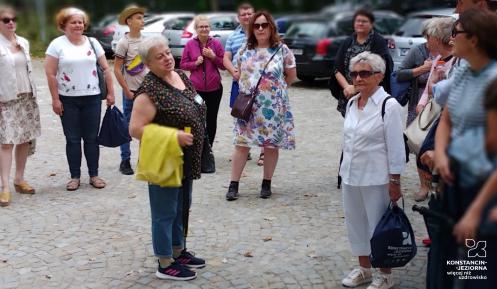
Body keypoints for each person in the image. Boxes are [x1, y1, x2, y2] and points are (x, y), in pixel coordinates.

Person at [129, 36, 206, 281]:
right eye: (159, 56)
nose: (167, 58)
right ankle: (164, 262)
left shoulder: (181, 76)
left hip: (186, 157)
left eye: (167, 52)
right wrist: (172, 136)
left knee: (182, 205)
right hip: (164, 158)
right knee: (164, 211)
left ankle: (178, 250)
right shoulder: (148, 90)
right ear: (148, 63)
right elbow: (135, 129)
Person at [433, 9, 497, 289]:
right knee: (453, 264)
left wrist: (476, 210)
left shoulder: (493, 80)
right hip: (456, 182)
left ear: (474, 39)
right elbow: (446, 118)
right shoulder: (463, 71)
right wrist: (442, 153)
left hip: (483, 187)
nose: (450, 39)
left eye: (455, 33)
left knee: (477, 272)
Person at [340, 51, 405, 289]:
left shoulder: (389, 106)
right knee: (356, 223)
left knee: (379, 226)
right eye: (354, 74)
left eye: (364, 73)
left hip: (376, 177)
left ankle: (385, 274)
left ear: (379, 76)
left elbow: (397, 147)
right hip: (351, 174)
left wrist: (395, 180)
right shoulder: (351, 103)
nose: (358, 78)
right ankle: (364, 269)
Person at [225, 11, 297, 201]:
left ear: (271, 27)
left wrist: (275, 92)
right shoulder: (244, 49)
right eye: (256, 26)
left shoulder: (282, 50)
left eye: (264, 25)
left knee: (271, 145)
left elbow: (291, 75)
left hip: (273, 107)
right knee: (241, 144)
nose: (260, 29)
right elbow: (238, 72)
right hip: (248, 107)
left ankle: (266, 183)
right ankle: (233, 184)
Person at [44, 7, 115, 191]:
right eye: (74, 22)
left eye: (80, 22)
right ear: (64, 25)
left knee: (92, 138)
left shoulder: (92, 42)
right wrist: (55, 99)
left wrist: (110, 93)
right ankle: (74, 176)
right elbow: (51, 74)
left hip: (92, 98)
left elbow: (106, 69)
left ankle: (94, 175)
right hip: (67, 99)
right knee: (73, 139)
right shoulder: (56, 45)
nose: (78, 25)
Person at [0, 5, 41, 207]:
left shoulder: (23, 42)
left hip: (27, 96)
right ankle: (5, 187)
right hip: (6, 99)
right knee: (7, 142)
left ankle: (19, 179)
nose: (10, 22)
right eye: (5, 20)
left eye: (13, 19)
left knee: (24, 139)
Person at [332, 9, 394, 117]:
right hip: (348, 94)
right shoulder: (347, 42)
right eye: (358, 21)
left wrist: (356, 88)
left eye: (364, 21)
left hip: (370, 95)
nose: (360, 23)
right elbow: (337, 68)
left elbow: (380, 71)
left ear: (371, 24)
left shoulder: (378, 42)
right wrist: (347, 87)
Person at [223, 2, 261, 163]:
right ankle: (243, 148)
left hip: (259, 84)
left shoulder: (261, 32)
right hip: (239, 83)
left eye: (249, 13)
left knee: (261, 116)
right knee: (240, 114)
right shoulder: (233, 36)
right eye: (243, 14)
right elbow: (226, 58)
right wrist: (233, 71)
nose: (246, 16)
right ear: (238, 18)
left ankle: (264, 151)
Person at [113, 5, 148, 176]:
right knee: (127, 125)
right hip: (131, 92)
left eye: (143, 17)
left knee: (146, 125)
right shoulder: (123, 43)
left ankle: (144, 159)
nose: (143, 20)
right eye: (139, 18)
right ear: (129, 21)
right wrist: (126, 90)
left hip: (146, 92)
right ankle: (125, 159)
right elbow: (117, 69)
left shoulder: (146, 41)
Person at [180, 14, 225, 147]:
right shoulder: (190, 44)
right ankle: (197, 148)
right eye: (201, 27)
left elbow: (223, 64)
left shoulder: (216, 43)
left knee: (211, 119)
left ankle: (208, 148)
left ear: (210, 28)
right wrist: (195, 63)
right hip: (197, 91)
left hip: (214, 90)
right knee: (197, 119)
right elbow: (183, 64)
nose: (204, 29)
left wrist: (213, 57)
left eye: (206, 26)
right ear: (196, 29)